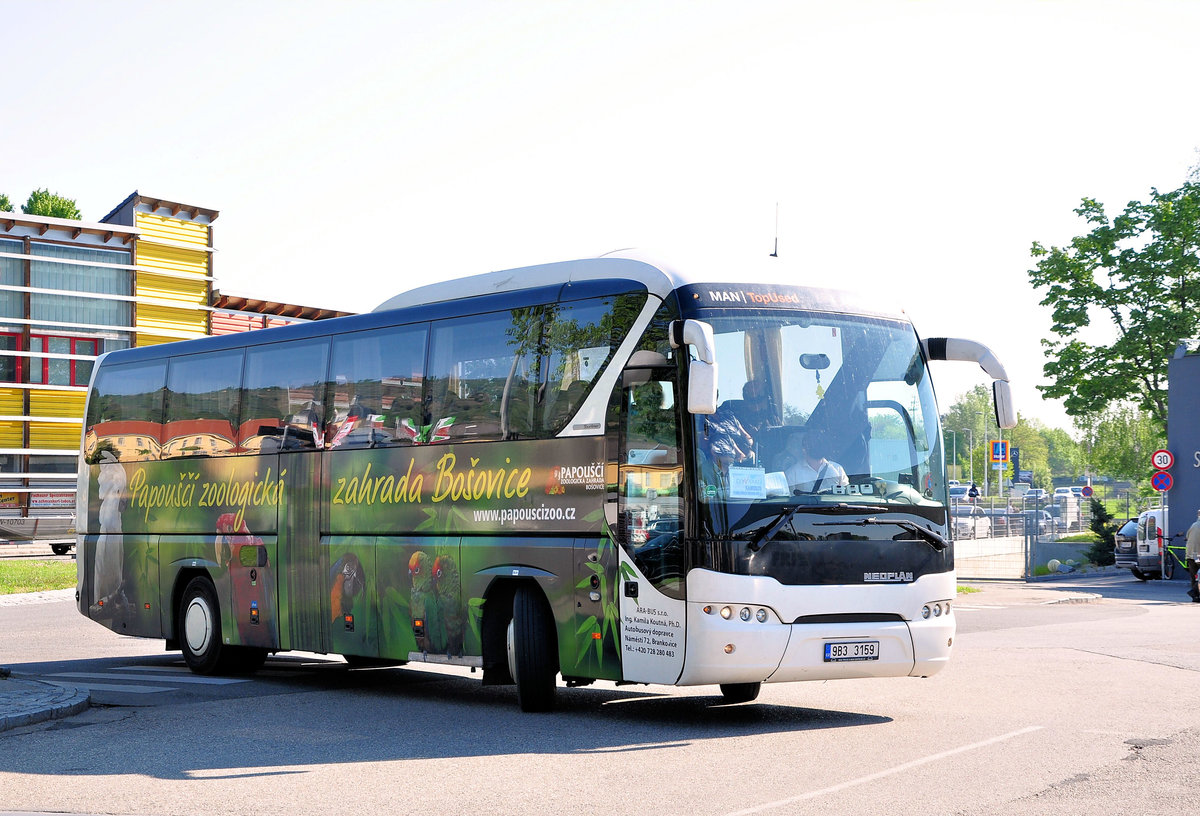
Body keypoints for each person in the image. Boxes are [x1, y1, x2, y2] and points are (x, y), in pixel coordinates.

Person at [785, 429, 849, 494]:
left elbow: (847, 495)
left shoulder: (838, 469)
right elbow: (789, 498)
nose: (817, 447)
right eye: (813, 444)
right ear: (804, 449)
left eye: (819, 444)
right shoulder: (792, 473)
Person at [1186, 509, 1200, 603]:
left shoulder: (1194, 525)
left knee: (1194, 575)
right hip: (1198, 554)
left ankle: (1195, 597)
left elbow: (1187, 536)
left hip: (1191, 554)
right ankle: (1194, 592)